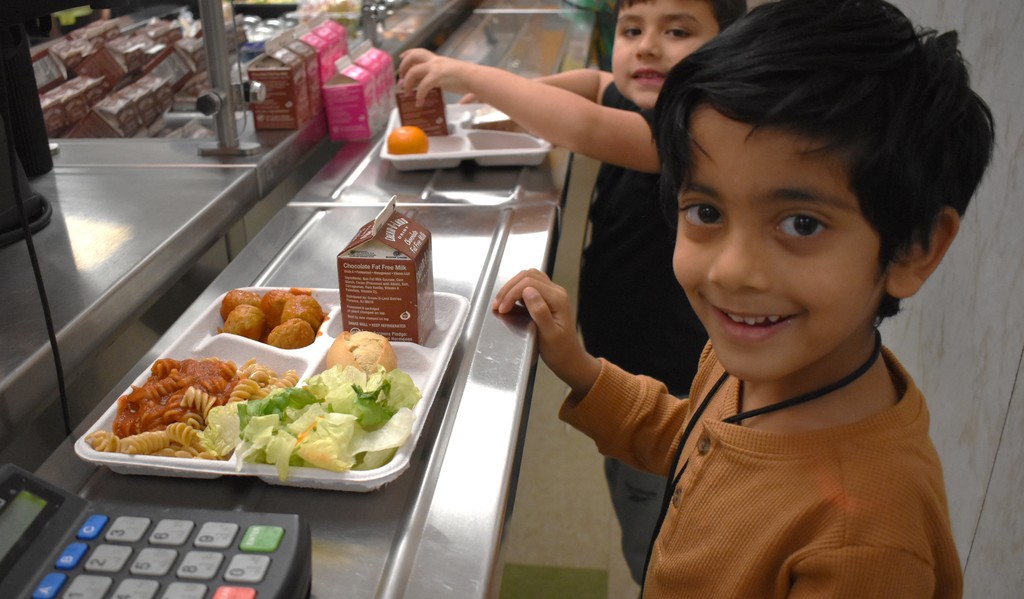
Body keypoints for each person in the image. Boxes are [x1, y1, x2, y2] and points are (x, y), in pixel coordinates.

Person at [491, 0, 995, 595]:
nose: (730, 272)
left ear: (914, 250)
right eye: (706, 212)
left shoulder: (866, 542)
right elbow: (692, 438)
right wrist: (578, 366)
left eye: (801, 224)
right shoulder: (747, 359)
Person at [399, 0, 746, 582]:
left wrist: (475, 77)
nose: (648, 46)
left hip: (673, 385)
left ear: (727, 46)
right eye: (632, 30)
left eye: (677, 31)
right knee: (630, 478)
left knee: (662, 533)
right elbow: (593, 82)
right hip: (629, 365)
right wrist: (516, 98)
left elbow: (583, 126)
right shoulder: (639, 97)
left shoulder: (693, 135)